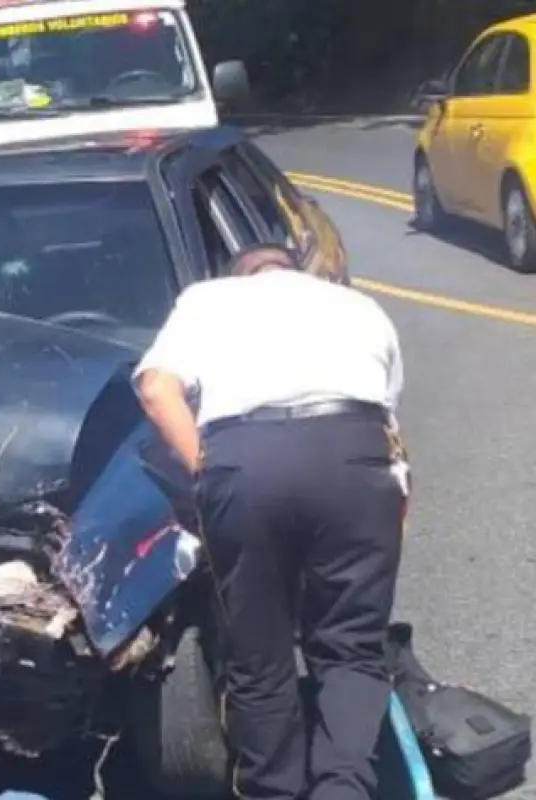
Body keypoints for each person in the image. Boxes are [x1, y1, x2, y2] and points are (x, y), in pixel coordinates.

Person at [132, 244, 407, 800]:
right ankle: (344, 788)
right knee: (352, 647)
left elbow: (157, 389)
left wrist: (207, 472)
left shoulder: (207, 299)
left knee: (260, 652)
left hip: (246, 459)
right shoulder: (357, 305)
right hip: (354, 456)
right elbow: (388, 425)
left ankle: (273, 790)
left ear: (241, 276)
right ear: (294, 271)